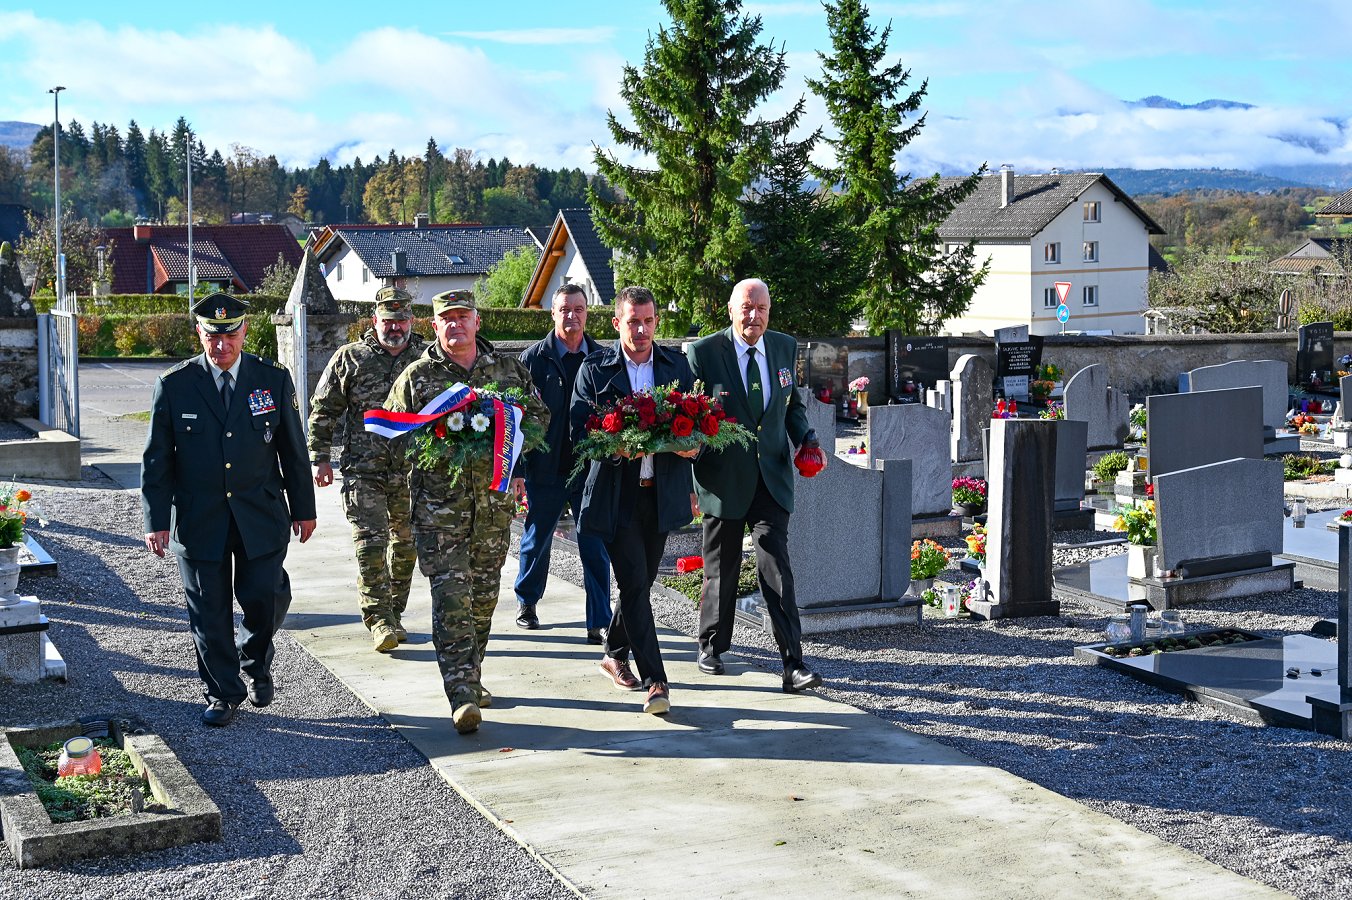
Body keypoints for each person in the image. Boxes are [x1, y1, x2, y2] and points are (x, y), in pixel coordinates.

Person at [141, 292, 317, 727]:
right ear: (199, 333)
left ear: (245, 330)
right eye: (212, 337)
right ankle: (223, 692)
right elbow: (157, 461)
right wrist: (156, 521)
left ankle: (256, 661)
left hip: (260, 513)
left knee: (266, 596)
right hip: (200, 518)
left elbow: (293, 450)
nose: (222, 346)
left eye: (230, 335)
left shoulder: (272, 379)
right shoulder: (175, 384)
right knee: (208, 610)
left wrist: (304, 507)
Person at [384, 289, 548, 734]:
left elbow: (539, 419)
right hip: (440, 513)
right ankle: (460, 694)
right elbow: (394, 434)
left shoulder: (508, 371)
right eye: (447, 319)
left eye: (463, 317)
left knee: (483, 601)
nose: (456, 325)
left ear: (477, 322)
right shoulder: (417, 378)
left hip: (493, 512)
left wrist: (511, 441)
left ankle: (471, 675)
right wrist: (434, 444)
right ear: (434, 327)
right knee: (451, 599)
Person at [686, 278, 824, 693]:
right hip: (724, 480)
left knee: (776, 567)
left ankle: (792, 663)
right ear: (731, 310)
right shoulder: (705, 353)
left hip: (772, 479)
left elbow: (791, 404)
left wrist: (806, 437)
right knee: (721, 570)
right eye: (747, 307)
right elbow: (690, 410)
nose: (754, 316)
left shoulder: (783, 347)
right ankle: (711, 645)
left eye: (761, 308)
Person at [571, 286, 698, 716]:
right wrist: (612, 447)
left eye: (647, 321)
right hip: (616, 495)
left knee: (639, 582)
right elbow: (578, 431)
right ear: (616, 323)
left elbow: (700, 426)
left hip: (659, 495)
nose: (640, 330)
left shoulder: (676, 366)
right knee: (633, 585)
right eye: (632, 322)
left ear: (656, 322)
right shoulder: (595, 369)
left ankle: (612, 652)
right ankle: (657, 681)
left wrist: (692, 446)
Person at [308, 286, 426, 653]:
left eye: (402, 319)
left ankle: (395, 612)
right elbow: (324, 410)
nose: (395, 327)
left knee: (406, 547)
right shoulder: (351, 359)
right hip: (364, 471)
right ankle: (379, 620)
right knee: (370, 546)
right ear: (374, 320)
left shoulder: (427, 359)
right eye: (388, 320)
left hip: (412, 471)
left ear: (411, 320)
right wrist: (320, 457)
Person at [514, 284, 611, 642]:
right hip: (545, 467)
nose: (572, 316)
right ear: (553, 313)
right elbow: (517, 418)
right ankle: (527, 601)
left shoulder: (601, 358)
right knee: (536, 540)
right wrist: (520, 471)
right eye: (565, 309)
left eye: (579, 309)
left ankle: (598, 619)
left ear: (587, 313)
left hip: (589, 469)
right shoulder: (532, 359)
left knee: (594, 544)